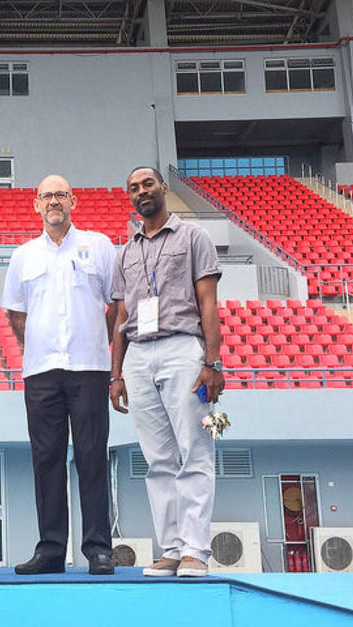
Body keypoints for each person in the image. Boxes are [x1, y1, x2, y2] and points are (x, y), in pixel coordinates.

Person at [109, 165, 224, 578]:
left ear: (162, 188)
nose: (141, 191)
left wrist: (212, 362)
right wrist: (116, 373)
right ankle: (171, 548)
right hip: (138, 354)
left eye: (147, 184)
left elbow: (208, 301)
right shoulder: (125, 252)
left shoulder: (194, 237)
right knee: (157, 460)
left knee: (194, 452)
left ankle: (196, 550)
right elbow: (121, 315)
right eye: (133, 187)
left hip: (182, 348)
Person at [1, 174, 118, 576]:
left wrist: (99, 341)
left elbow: (116, 304)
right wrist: (34, 344)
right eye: (46, 195)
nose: (54, 201)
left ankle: (99, 548)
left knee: (91, 458)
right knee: (46, 459)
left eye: (61, 195)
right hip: (41, 372)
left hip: (89, 368)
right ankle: (51, 549)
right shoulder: (23, 256)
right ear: (36, 204)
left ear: (74, 201)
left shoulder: (99, 246)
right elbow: (15, 312)